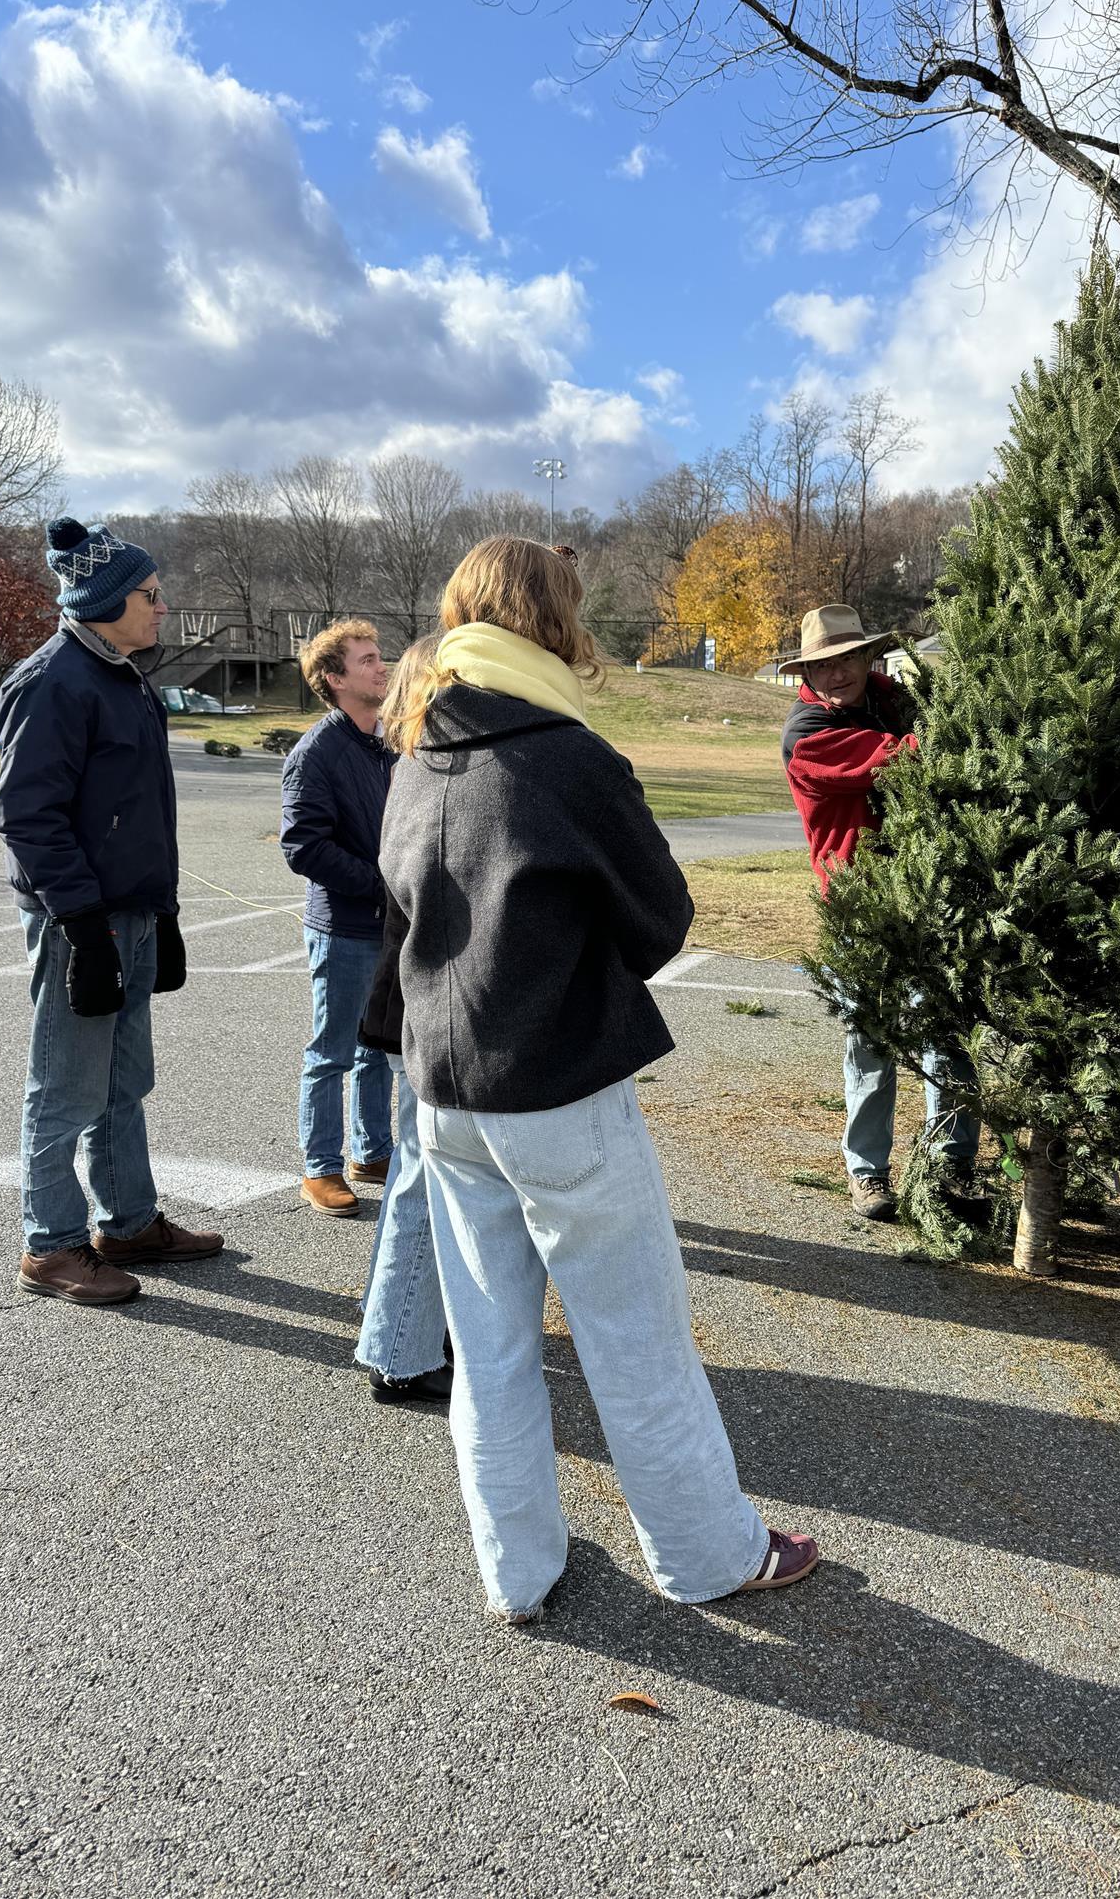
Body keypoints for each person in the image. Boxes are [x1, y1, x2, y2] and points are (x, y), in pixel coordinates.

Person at [379, 536, 819, 1623]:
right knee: (637, 1337)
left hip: (443, 1090)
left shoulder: (413, 752)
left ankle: (514, 1570)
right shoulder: (567, 758)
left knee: (486, 1346)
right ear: (554, 620)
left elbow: (398, 920)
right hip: (557, 1087)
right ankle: (710, 1555)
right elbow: (661, 916)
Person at [0, 518, 222, 1306]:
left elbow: (135, 810)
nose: (163, 608)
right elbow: (29, 817)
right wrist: (83, 926)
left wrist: (160, 912)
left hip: (130, 912)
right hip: (79, 923)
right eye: (151, 595)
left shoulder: (122, 675)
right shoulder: (52, 680)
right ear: (106, 600)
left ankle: (126, 1222)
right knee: (66, 1087)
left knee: (125, 1081)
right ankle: (50, 1246)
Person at [779, 603, 981, 1220]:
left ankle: (951, 1172)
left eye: (848, 657)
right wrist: (973, 720)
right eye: (822, 663)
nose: (837, 672)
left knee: (944, 1038)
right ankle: (868, 1173)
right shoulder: (809, 735)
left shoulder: (889, 698)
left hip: (931, 894)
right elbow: (902, 758)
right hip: (862, 904)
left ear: (868, 657)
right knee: (870, 1037)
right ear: (806, 672)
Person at [353, 638, 452, 1403]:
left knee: (422, 1176)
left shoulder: (414, 771)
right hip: (414, 1005)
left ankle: (408, 1329)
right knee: (420, 1178)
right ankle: (400, 1348)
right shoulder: (422, 773)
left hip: (409, 1003)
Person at [279, 619, 395, 1217]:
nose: (383, 667)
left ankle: (372, 1153)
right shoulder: (315, 755)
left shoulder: (392, 741)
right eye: (368, 660)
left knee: (379, 1046)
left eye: (380, 657)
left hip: (389, 925)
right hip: (344, 928)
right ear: (335, 678)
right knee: (332, 1050)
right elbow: (302, 846)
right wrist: (378, 885)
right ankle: (320, 1167)